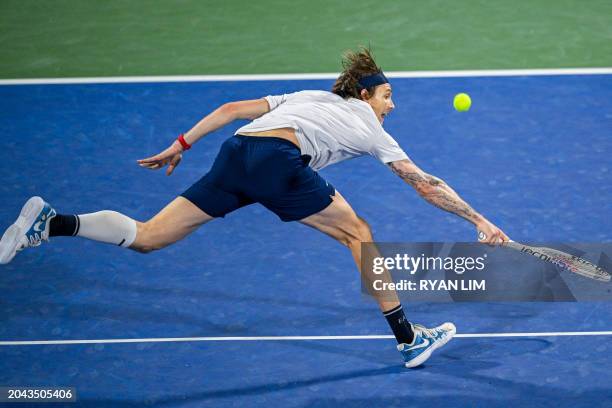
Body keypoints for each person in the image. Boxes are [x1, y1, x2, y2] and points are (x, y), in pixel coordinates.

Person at [0, 48, 508, 368]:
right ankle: (408, 339)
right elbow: (425, 184)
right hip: (274, 159)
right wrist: (478, 219)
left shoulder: (307, 96)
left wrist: (182, 143)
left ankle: (53, 222)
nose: (392, 106)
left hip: (237, 151)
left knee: (150, 236)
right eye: (388, 96)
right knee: (359, 233)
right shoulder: (371, 127)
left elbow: (229, 112)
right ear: (365, 93)